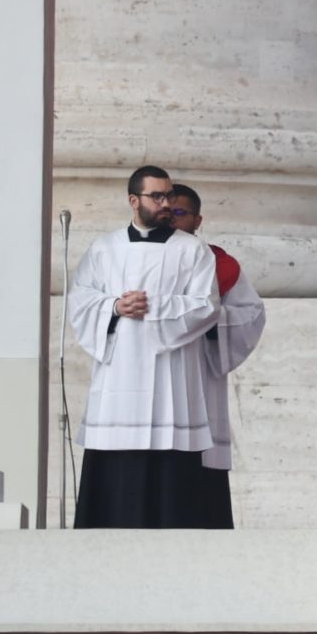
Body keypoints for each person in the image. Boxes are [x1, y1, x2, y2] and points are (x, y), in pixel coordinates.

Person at [66, 166, 226, 528]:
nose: (166, 203)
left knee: (172, 480)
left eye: (168, 196)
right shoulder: (104, 248)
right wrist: (114, 306)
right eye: (157, 196)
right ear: (134, 200)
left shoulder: (193, 250)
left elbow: (207, 305)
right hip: (119, 376)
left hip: (171, 373)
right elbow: (80, 299)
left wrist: (153, 306)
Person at [165, 184, 266, 478]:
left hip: (198, 368)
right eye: (166, 212)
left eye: (179, 212)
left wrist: (207, 317)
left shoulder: (219, 264)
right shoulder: (138, 258)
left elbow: (250, 314)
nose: (171, 219)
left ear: (198, 220)